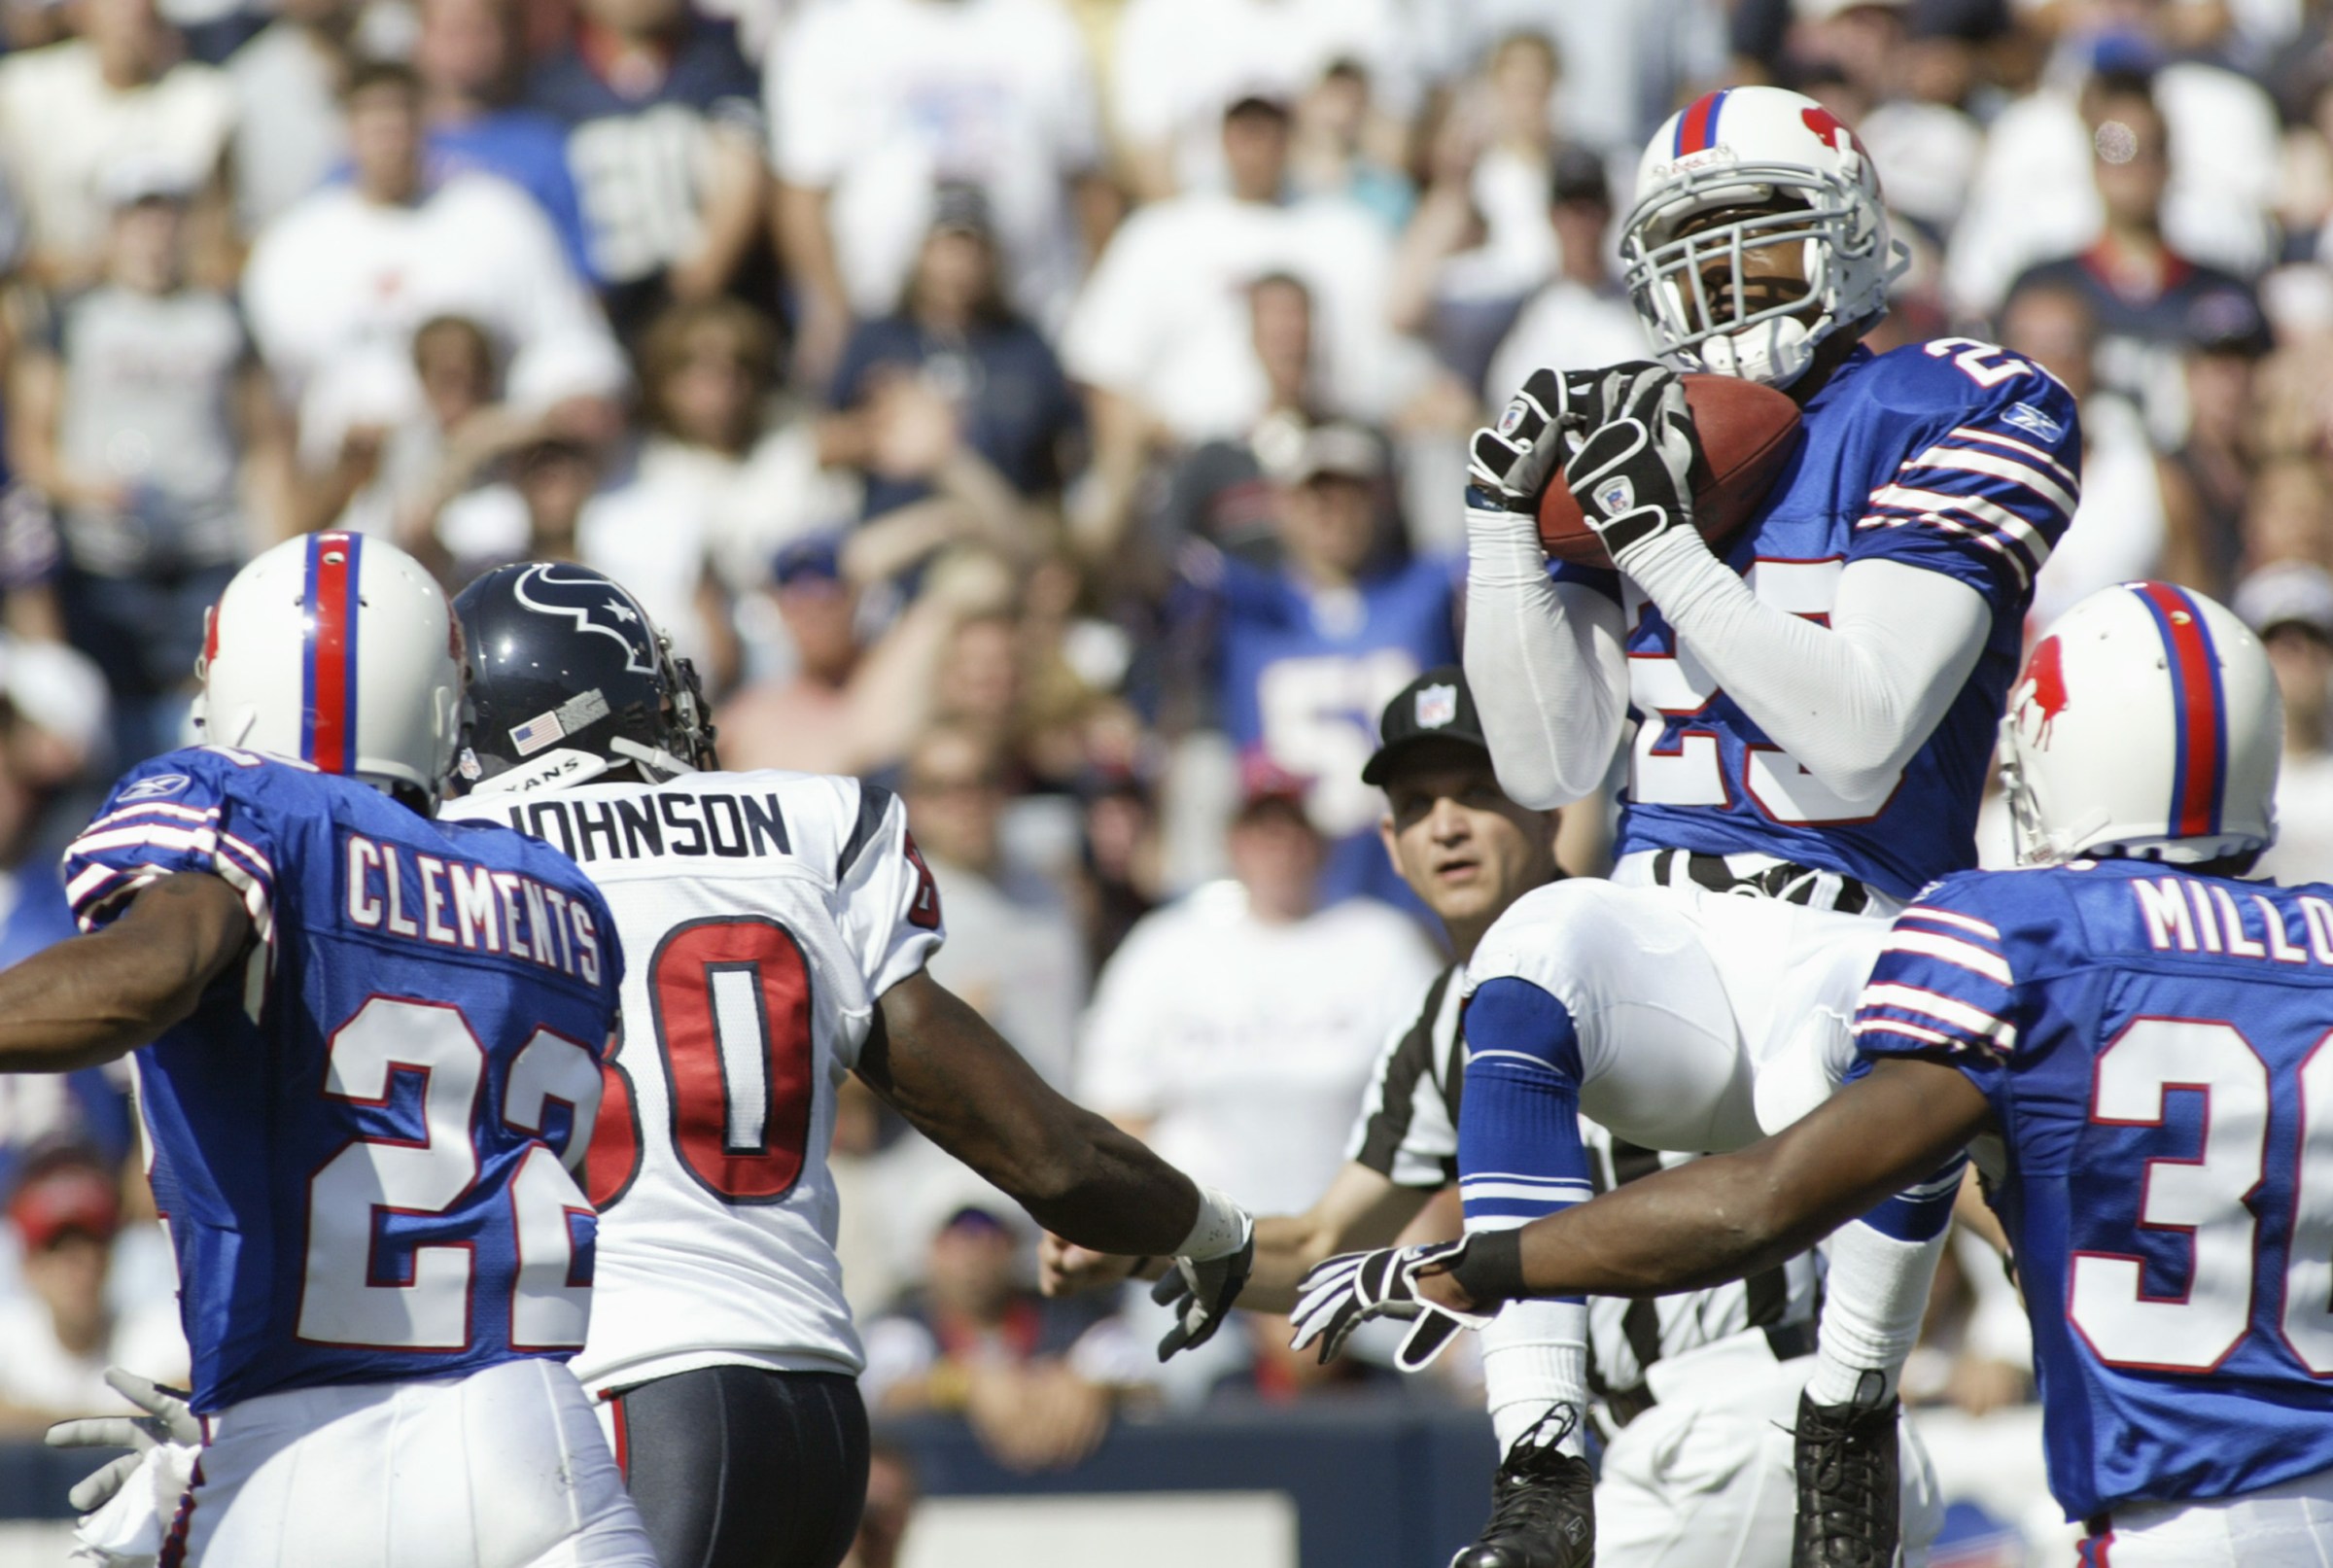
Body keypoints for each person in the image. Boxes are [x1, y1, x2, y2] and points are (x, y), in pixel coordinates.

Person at [1294, 581, 2333, 1568]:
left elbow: (1767, 1199)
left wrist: (1481, 1264)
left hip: (2175, 1515)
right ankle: (1851, 1412)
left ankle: (1845, 1418)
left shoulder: (2021, 941)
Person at [1452, 85, 2080, 1567]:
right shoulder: (1640, 424)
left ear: (1854, 242)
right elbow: (1554, 758)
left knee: (1906, 1014)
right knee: (1532, 934)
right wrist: (1501, 534)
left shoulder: (1961, 403)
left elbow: (1859, 724)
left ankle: (1848, 1409)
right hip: (1667, 932)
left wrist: (1660, 540)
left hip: (1857, 938)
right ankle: (1540, 1467)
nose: (1725, 283)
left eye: (1761, 239)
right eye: (1696, 248)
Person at [438, 561, 1255, 1568]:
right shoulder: (802, 828)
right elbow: (1050, 1156)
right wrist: (1205, 1226)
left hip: (626, 1388)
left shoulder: (450, 863)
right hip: (817, 1409)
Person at [1049, 665, 1935, 1563]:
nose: (1448, 823)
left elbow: (1908, 1109)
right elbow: (1320, 1249)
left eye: (1480, 790)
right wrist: (1146, 1243)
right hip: (1651, 1451)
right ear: (1389, 843)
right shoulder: (1439, 1023)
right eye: (1418, 803)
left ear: (1551, 809)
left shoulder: (1666, 940)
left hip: (1746, 1419)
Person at [33, 532, 654, 1566]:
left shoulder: (241, 809)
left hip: (297, 1455)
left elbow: (151, 970)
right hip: (540, 1444)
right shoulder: (555, 890)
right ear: (444, 702)